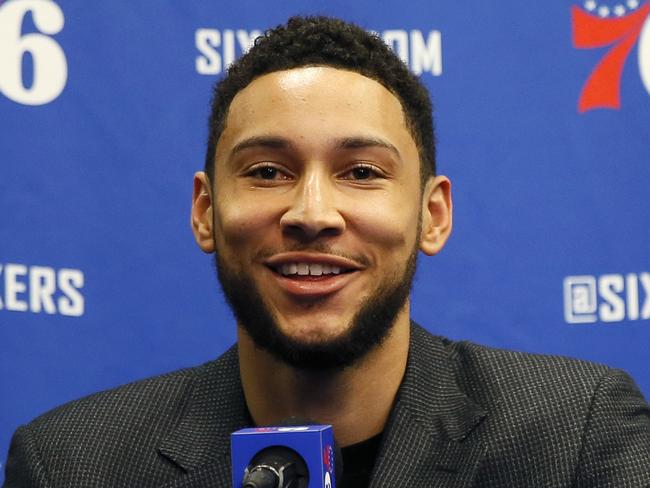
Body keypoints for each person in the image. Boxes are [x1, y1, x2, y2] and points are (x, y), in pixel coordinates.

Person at [3, 15, 649, 488]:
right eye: (266, 172)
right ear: (205, 211)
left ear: (432, 214)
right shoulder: (70, 464)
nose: (311, 213)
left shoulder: (577, 441)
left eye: (362, 172)